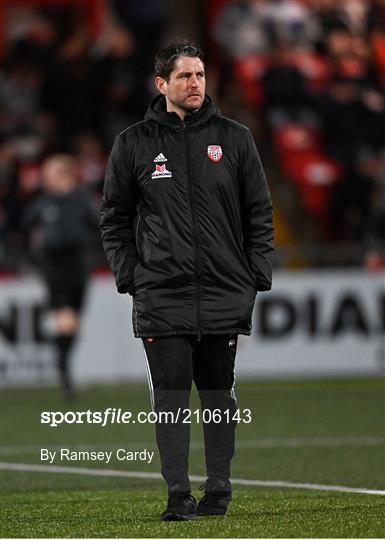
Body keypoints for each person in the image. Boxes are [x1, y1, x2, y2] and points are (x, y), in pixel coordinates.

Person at [100, 41, 273, 521]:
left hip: (223, 291)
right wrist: (132, 275)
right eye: (185, 77)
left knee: (219, 395)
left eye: (200, 75)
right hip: (162, 293)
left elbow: (259, 211)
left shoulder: (235, 138)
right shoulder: (133, 143)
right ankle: (178, 493)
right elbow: (114, 217)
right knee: (170, 399)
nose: (195, 83)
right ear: (163, 85)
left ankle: (219, 487)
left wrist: (255, 272)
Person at [24, 154, 98, 398]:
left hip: (78, 268)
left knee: (73, 323)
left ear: (66, 174)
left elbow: (99, 228)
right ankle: (64, 373)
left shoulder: (82, 201)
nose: (47, 179)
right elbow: (25, 230)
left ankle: (63, 363)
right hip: (54, 268)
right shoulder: (43, 203)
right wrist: (35, 257)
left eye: (52, 173)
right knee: (65, 319)